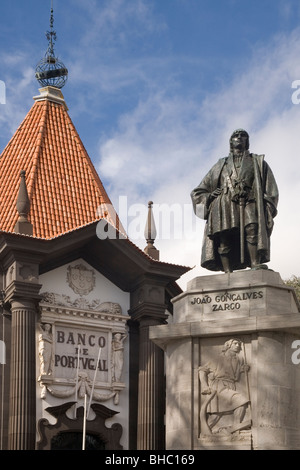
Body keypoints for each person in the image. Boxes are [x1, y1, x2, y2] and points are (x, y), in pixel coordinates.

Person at [191, 129, 279, 273]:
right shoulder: (220, 165)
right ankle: (227, 271)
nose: (239, 138)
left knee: (252, 228)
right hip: (224, 204)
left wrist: (267, 209)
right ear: (231, 142)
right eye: (235, 136)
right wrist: (211, 196)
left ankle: (255, 263)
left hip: (250, 201)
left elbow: (271, 191)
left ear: (247, 141)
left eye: (243, 136)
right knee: (224, 237)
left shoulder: (258, 162)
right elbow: (199, 191)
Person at [199, 338, 250, 434]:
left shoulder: (239, 359)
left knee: (219, 413)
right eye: (235, 343)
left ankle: (233, 429)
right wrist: (204, 386)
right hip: (219, 386)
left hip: (230, 385)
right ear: (228, 345)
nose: (238, 346)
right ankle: (236, 428)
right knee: (241, 401)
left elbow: (235, 375)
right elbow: (202, 370)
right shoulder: (218, 358)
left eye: (239, 344)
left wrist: (243, 369)